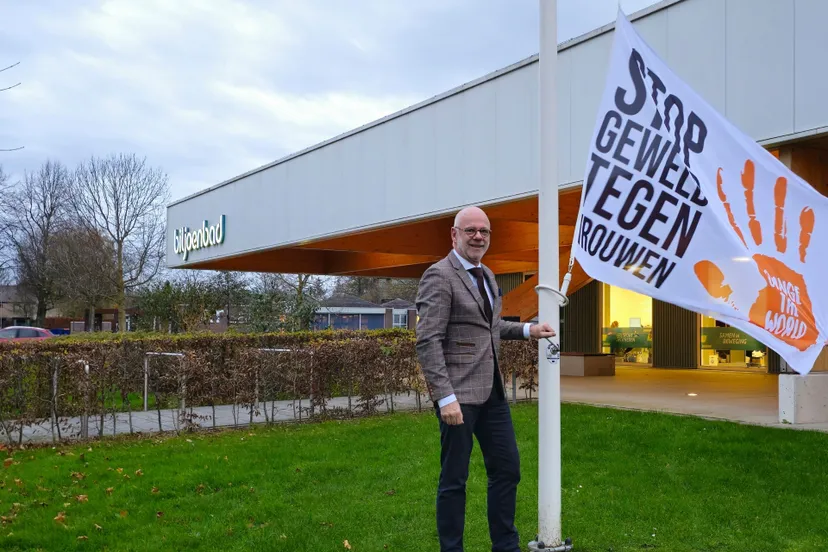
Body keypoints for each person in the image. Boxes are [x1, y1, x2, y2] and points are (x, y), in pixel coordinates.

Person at [415, 206, 556, 552]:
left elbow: (489, 327)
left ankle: (505, 546)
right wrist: (445, 397)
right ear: (454, 235)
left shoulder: (488, 275)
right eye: (471, 230)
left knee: (507, 470)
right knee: (454, 480)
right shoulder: (439, 276)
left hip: (492, 393)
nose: (478, 237)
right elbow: (428, 340)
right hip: (458, 397)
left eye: (484, 231)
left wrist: (528, 330)